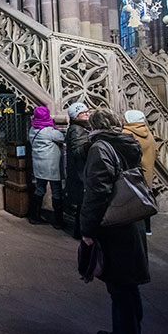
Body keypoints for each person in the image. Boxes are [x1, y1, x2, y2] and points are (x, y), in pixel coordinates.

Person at [81, 109, 149, 334]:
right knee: (128, 285)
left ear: (94, 125)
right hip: (131, 217)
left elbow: (98, 192)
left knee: (119, 286)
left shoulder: (100, 147)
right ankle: (129, 331)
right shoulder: (128, 141)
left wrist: (88, 229)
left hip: (114, 220)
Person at [27, 105, 65, 228]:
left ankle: (34, 215)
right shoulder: (48, 131)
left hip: (38, 164)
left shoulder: (33, 129)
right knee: (56, 191)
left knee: (39, 189)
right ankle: (58, 221)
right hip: (51, 166)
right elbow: (62, 137)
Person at [122, 110, 157, 236]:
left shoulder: (127, 133)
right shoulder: (147, 131)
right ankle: (147, 229)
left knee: (132, 203)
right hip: (147, 173)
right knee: (145, 200)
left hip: (133, 173)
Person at [65, 102, 91, 239]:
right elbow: (77, 151)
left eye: (87, 111)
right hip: (81, 174)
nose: (87, 114)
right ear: (75, 116)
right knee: (83, 205)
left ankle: (80, 231)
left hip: (81, 172)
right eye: (83, 113)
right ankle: (80, 232)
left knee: (82, 205)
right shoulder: (76, 129)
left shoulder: (81, 128)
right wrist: (92, 144)